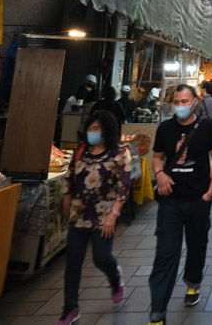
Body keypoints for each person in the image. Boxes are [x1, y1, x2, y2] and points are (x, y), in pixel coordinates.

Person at [148, 84, 212, 325]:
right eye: (176, 101)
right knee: (165, 255)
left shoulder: (208, 127)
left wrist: (209, 194)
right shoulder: (165, 128)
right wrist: (159, 174)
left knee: (197, 245)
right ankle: (157, 312)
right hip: (170, 201)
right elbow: (157, 158)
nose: (179, 105)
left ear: (194, 103)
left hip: (198, 199)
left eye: (184, 101)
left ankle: (193, 282)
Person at [58, 110, 131, 325]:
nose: (92, 132)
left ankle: (115, 278)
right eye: (90, 128)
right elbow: (69, 178)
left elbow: (123, 185)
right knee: (73, 261)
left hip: (103, 216)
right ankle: (70, 307)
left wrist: (113, 214)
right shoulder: (81, 151)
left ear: (107, 129)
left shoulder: (118, 153)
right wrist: (66, 204)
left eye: (97, 128)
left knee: (101, 258)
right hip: (78, 215)